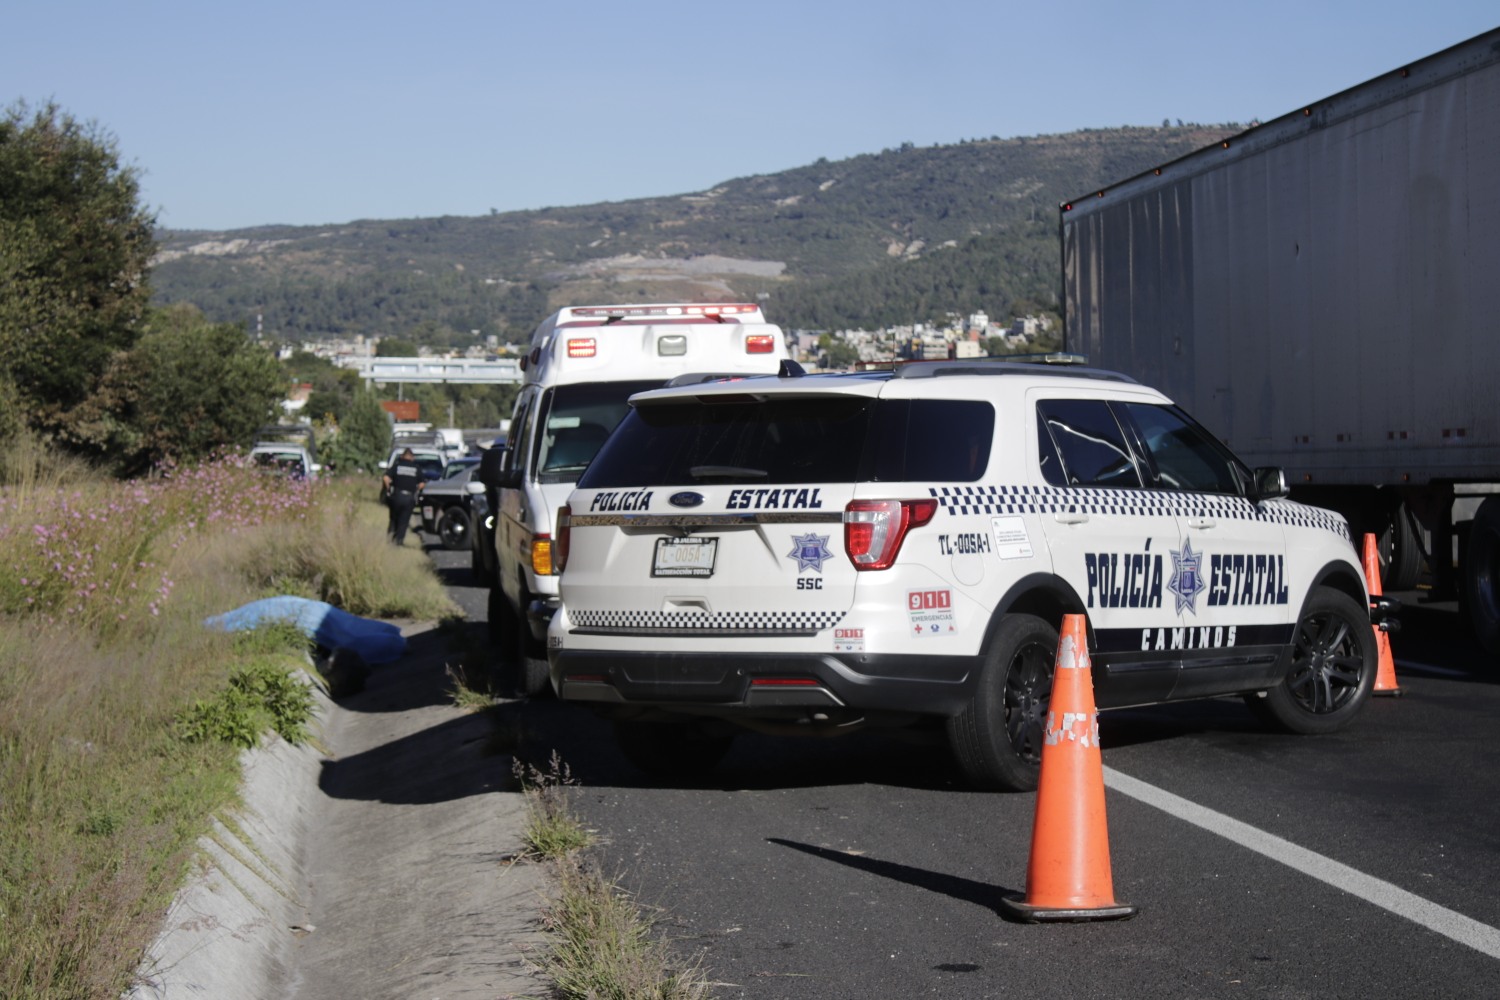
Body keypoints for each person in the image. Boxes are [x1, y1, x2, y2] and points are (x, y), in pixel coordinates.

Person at [382, 448, 425, 545]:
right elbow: (422, 483)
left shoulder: (397, 466)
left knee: (393, 519)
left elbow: (386, 478)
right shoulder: (416, 468)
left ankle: (389, 540)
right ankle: (398, 542)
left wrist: (388, 489)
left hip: (396, 496)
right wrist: (416, 490)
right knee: (404, 521)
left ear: (402, 456)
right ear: (412, 458)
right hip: (409, 498)